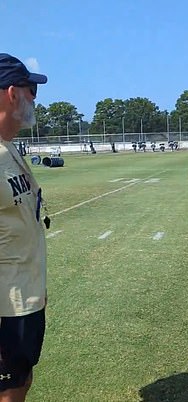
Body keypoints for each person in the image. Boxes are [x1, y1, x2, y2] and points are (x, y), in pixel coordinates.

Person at [0, 53, 48, 401]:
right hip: (5, 306)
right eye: (31, 89)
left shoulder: (9, 148)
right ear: (11, 93)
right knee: (8, 390)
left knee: (21, 380)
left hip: (25, 299)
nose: (34, 98)